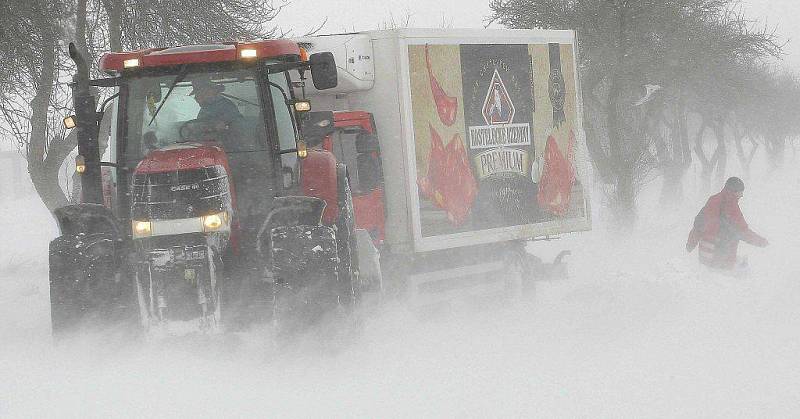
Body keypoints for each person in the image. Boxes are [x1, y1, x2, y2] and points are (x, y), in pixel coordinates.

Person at [686, 176, 768, 271]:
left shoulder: (713, 200)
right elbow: (743, 231)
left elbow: (698, 225)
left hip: (705, 255)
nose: (741, 195)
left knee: (709, 280)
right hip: (721, 259)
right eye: (740, 192)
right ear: (733, 191)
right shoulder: (731, 208)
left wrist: (690, 244)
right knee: (731, 278)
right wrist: (762, 243)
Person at [185, 76, 244, 141]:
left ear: (212, 90)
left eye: (201, 92)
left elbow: (234, 125)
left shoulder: (226, 105)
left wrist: (215, 126)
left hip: (226, 146)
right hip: (208, 144)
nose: (196, 97)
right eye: (197, 94)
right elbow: (202, 125)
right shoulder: (206, 108)